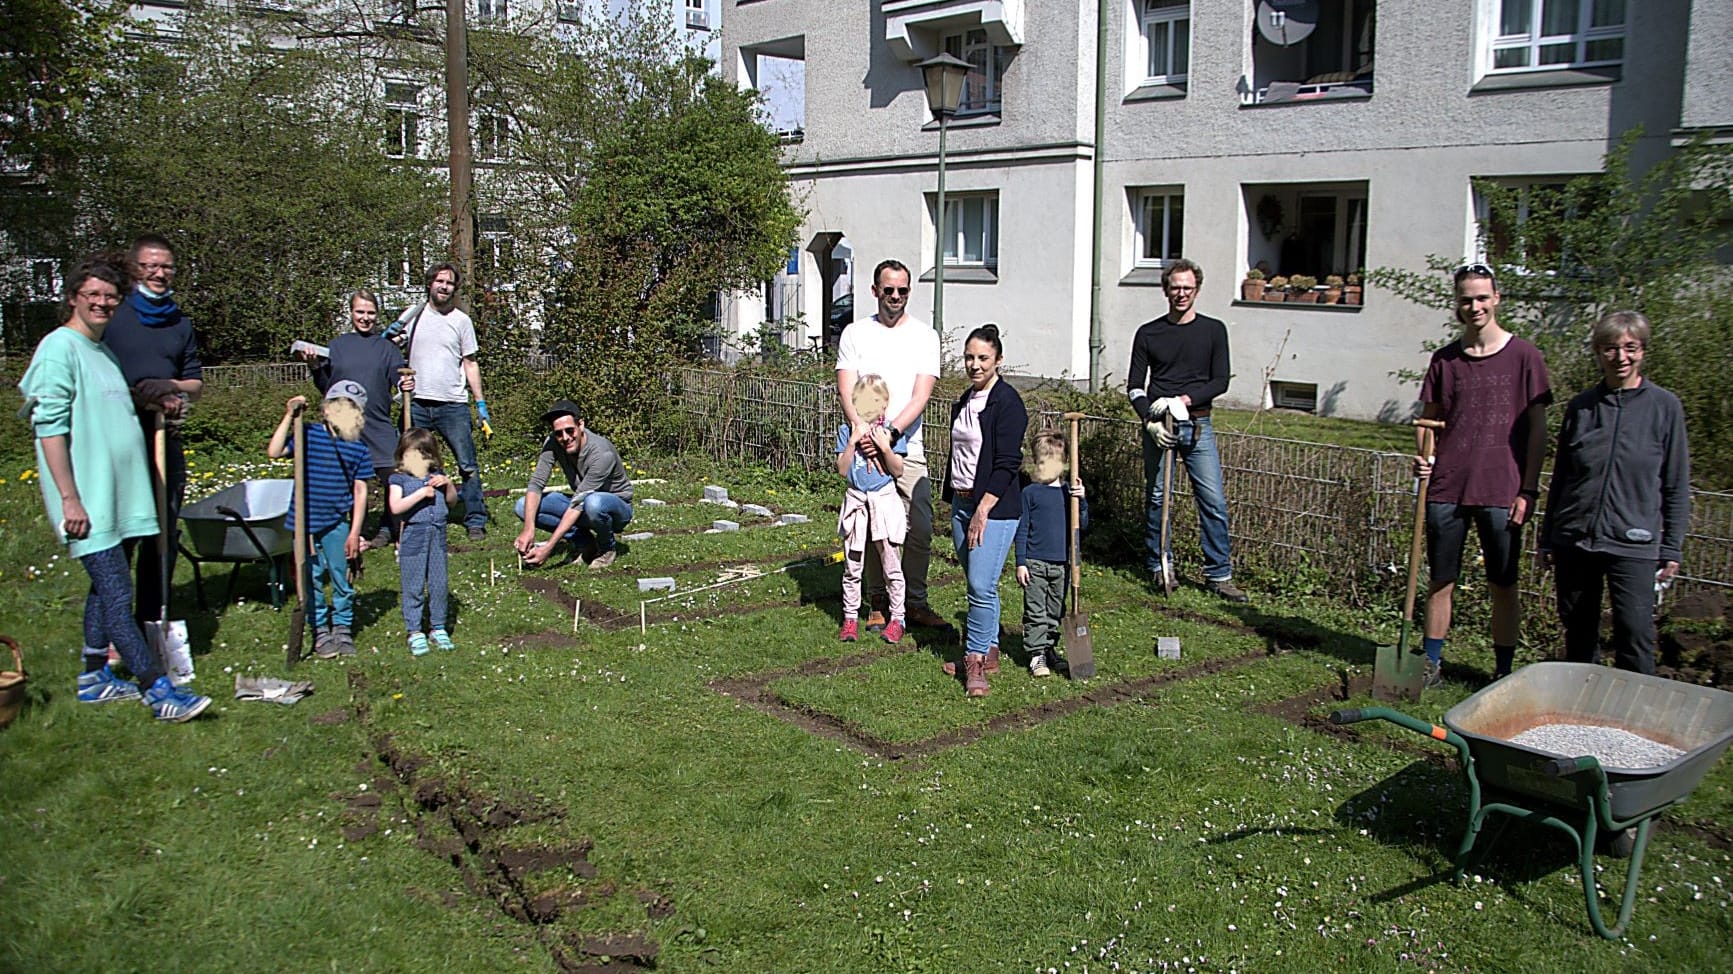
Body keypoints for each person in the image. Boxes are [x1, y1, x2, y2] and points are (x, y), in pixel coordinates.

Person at [19, 256, 212, 722]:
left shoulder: (101, 351)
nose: (103, 303)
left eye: (110, 296)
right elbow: (49, 428)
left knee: (103, 592)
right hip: (89, 501)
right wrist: (69, 498)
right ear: (72, 299)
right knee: (116, 593)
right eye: (94, 296)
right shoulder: (58, 349)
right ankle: (157, 689)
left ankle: (93, 676)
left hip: (119, 497)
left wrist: (155, 398)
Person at [1413, 263, 1552, 685]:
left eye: (1480, 298)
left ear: (1496, 299)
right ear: (1456, 304)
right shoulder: (1445, 360)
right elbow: (1428, 421)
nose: (1473, 306)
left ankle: (1503, 670)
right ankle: (1432, 663)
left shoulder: (1525, 357)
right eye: (1465, 299)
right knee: (1441, 579)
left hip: (1501, 489)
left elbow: (1538, 430)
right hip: (1448, 487)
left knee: (1503, 583)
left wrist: (1528, 489)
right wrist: (1423, 461)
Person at [1540, 311, 1690, 676]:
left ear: (1642, 351)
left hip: (1634, 542)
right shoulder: (1582, 407)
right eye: (1610, 348)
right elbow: (1561, 478)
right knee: (1578, 628)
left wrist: (1671, 546)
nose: (1620, 357)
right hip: (1575, 538)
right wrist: (1548, 538)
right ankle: (1581, 704)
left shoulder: (1664, 408)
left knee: (1634, 632)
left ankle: (1634, 714)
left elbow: (1675, 483)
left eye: (1630, 348)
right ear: (1598, 352)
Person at [835, 259, 949, 631]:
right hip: (865, 448)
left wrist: (892, 435)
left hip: (906, 447)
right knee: (870, 530)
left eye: (902, 290)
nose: (896, 296)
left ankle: (914, 601)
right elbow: (846, 386)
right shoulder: (855, 333)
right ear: (875, 292)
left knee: (919, 528)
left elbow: (921, 395)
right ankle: (878, 601)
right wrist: (862, 432)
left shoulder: (924, 336)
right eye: (889, 290)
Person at [1126, 258, 1247, 603]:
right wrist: (1148, 420)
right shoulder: (1149, 333)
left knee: (1212, 500)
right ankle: (1160, 565)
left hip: (1198, 425)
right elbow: (1135, 385)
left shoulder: (1213, 331)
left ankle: (1219, 575)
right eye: (1175, 287)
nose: (1181, 294)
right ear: (1166, 290)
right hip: (1160, 424)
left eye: (1187, 288)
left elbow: (1220, 380)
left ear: (1197, 290)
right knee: (1157, 497)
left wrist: (1185, 399)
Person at [101, 232, 204, 629]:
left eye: (166, 267)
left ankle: (151, 619)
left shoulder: (179, 323)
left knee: (162, 533)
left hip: (166, 437)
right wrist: (136, 394)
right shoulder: (114, 316)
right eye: (151, 266)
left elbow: (195, 381)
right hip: (119, 440)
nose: (160, 274)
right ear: (134, 269)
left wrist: (172, 387)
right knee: (122, 532)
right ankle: (114, 626)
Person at [941, 324, 1027, 698]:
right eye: (970, 358)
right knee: (981, 582)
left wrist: (982, 511)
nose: (975, 365)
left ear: (998, 360)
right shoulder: (965, 400)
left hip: (993, 508)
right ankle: (990, 649)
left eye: (983, 358)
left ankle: (974, 662)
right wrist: (961, 505)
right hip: (962, 503)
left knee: (979, 585)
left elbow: (1008, 464)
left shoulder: (1008, 403)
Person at [268, 383, 372, 658]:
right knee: (310, 578)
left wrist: (354, 531)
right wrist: (290, 416)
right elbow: (274, 451)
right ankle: (320, 630)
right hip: (304, 523)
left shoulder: (358, 448)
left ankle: (342, 628)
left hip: (336, 521)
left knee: (341, 577)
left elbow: (360, 490)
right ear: (326, 410)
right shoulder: (308, 434)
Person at [305, 289, 412, 549]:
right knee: (347, 482)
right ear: (351, 313)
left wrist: (404, 382)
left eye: (370, 313)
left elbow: (397, 379)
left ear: (377, 315)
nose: (365, 318)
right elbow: (326, 387)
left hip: (377, 423)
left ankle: (395, 531)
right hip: (345, 428)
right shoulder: (337, 346)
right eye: (360, 312)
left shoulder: (386, 348)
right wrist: (315, 367)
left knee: (395, 476)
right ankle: (351, 532)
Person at [398, 263, 490, 539]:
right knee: (412, 462)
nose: (444, 286)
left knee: (467, 464)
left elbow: (470, 363)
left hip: (453, 404)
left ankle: (475, 519)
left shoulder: (462, 321)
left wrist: (480, 403)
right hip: (417, 403)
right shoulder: (412, 317)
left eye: (449, 283)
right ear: (429, 283)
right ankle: (415, 513)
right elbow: (391, 354)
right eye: (439, 281)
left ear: (454, 288)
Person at [514, 400, 634, 569]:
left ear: (581, 425)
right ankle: (585, 543)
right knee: (522, 506)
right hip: (582, 501)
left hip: (616, 507)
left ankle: (607, 548)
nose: (565, 438)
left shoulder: (601, 453)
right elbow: (536, 484)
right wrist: (528, 528)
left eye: (570, 430)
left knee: (594, 503)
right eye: (559, 433)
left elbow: (579, 503)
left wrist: (549, 547)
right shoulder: (553, 443)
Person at [835, 374, 908, 644]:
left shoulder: (888, 432)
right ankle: (850, 618)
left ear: (884, 404)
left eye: (875, 401)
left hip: (883, 501)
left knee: (891, 563)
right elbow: (843, 470)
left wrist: (885, 448)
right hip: (857, 501)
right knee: (853, 565)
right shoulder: (846, 431)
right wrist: (853, 443)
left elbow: (898, 470)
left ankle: (898, 618)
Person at [1015, 431, 1088, 678]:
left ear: (1065, 462)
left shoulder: (1070, 494)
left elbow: (1081, 527)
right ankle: (1036, 654)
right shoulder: (1030, 493)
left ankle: (1049, 648)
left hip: (1063, 565)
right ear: (1036, 463)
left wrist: (1082, 501)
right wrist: (1021, 562)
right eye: (1042, 461)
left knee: (1056, 610)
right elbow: (1022, 529)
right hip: (1035, 563)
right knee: (1036, 610)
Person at [390, 428, 460, 656]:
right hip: (414, 536)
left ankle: (438, 627)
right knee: (413, 583)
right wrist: (421, 494)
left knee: (438, 583)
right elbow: (395, 507)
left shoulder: (437, 475)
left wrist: (448, 485)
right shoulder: (398, 479)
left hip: (438, 535)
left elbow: (451, 503)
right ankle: (415, 630)